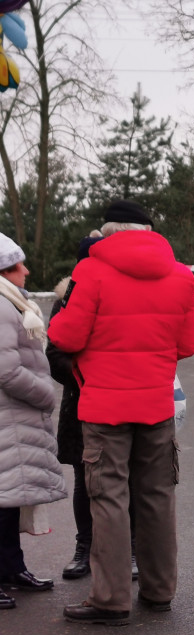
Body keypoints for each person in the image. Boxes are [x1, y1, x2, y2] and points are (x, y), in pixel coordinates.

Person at [48, 199, 194, 625]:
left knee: (109, 498)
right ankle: (159, 590)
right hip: (156, 405)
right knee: (157, 497)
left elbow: (65, 335)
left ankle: (110, 599)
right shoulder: (181, 276)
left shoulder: (90, 271)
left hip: (104, 407)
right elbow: (189, 345)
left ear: (109, 232)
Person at [47, 233, 140, 582]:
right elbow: (55, 355)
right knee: (86, 484)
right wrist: (89, 377)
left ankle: (130, 549)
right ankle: (84, 548)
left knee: (126, 481)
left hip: (123, 402)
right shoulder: (66, 300)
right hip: (82, 405)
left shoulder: (121, 294)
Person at [0, 233, 65, 608]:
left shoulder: (12, 300)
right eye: (14, 266)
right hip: (9, 415)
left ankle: (11, 567)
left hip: (13, 418)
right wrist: (44, 394)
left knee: (9, 499)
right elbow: (7, 371)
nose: (25, 271)